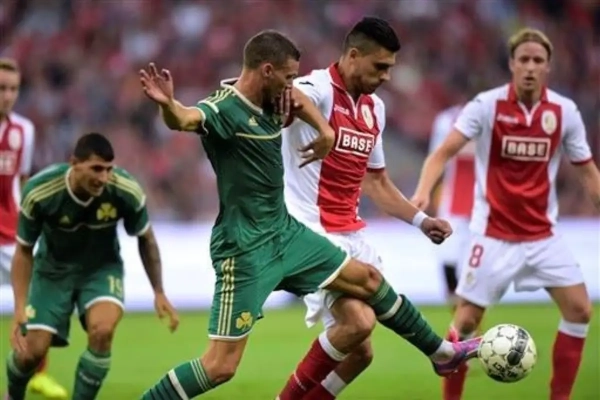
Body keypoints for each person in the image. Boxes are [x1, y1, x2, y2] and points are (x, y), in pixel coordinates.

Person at [138, 29, 480, 400]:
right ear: (268, 71)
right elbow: (185, 118)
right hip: (245, 248)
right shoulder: (224, 108)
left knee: (368, 281)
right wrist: (167, 105)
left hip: (287, 233)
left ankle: (441, 354)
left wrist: (324, 131)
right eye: (288, 77)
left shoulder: (275, 103)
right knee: (219, 366)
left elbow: (301, 104)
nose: (292, 86)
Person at [276, 17, 474, 400]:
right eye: (380, 66)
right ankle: (440, 352)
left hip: (349, 232)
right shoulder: (318, 87)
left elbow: (377, 183)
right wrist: (324, 128)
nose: (386, 76)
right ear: (353, 56)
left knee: (361, 350)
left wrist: (421, 220)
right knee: (363, 307)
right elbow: (291, 96)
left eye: (390, 68)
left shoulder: (374, 109)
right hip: (308, 230)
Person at [411, 28, 599, 400]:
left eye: (538, 60)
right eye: (524, 59)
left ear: (548, 67)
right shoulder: (487, 106)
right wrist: (422, 191)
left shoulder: (564, 112)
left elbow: (588, 171)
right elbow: (442, 153)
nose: (530, 67)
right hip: (492, 235)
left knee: (579, 310)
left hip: (543, 235)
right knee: (466, 321)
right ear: (512, 64)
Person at [5, 133, 179, 400]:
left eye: (108, 169)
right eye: (96, 169)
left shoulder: (126, 190)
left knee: (103, 331)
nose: (103, 177)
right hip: (52, 271)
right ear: (74, 163)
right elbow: (24, 250)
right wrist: (19, 308)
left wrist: (158, 291)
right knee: (31, 353)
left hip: (101, 270)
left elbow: (146, 239)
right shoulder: (41, 191)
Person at [0, 57, 68, 399]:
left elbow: (23, 181)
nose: (8, 95)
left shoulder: (24, 130)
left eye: (13, 89)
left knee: (35, 299)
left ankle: (38, 373)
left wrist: (34, 221)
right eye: (2, 88)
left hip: (10, 231)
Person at [428, 102, 474, 310]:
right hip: (454, 199)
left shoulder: (497, 115)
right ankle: (460, 315)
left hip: (487, 203)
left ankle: (468, 316)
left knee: (474, 264)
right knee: (448, 257)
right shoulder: (446, 120)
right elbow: (437, 158)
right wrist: (428, 192)